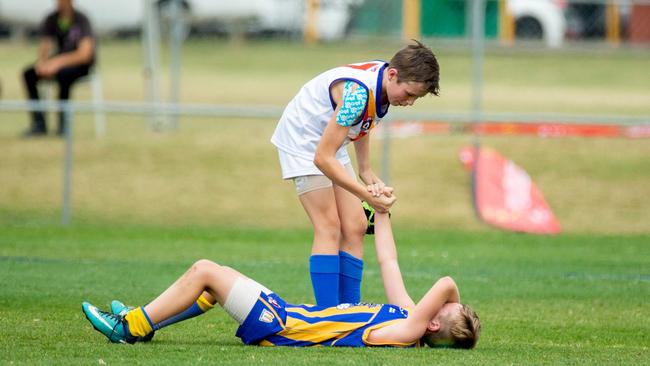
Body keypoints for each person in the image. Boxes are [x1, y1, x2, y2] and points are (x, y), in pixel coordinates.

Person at [81, 207, 481, 349]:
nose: (444, 299)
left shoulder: (408, 332)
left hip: (283, 326)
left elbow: (446, 281)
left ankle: (129, 328)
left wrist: (453, 304)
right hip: (286, 313)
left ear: (431, 322)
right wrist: (383, 211)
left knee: (205, 269)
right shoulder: (408, 316)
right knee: (212, 282)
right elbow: (389, 260)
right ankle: (148, 319)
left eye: (445, 309)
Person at [270, 40, 440, 307]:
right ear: (393, 75)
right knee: (329, 226)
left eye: (416, 98)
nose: (409, 102)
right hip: (303, 139)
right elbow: (322, 158)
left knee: (357, 225)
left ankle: (349, 310)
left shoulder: (383, 84)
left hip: (330, 137)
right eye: (409, 94)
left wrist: (365, 171)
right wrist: (366, 196)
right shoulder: (358, 94)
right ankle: (328, 316)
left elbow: (363, 122)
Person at [22, 0, 95, 137]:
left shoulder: (81, 20)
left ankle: (63, 125)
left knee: (64, 75)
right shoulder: (52, 19)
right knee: (29, 74)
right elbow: (45, 45)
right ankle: (39, 124)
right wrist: (42, 64)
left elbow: (85, 54)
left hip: (79, 66)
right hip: (57, 64)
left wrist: (58, 62)